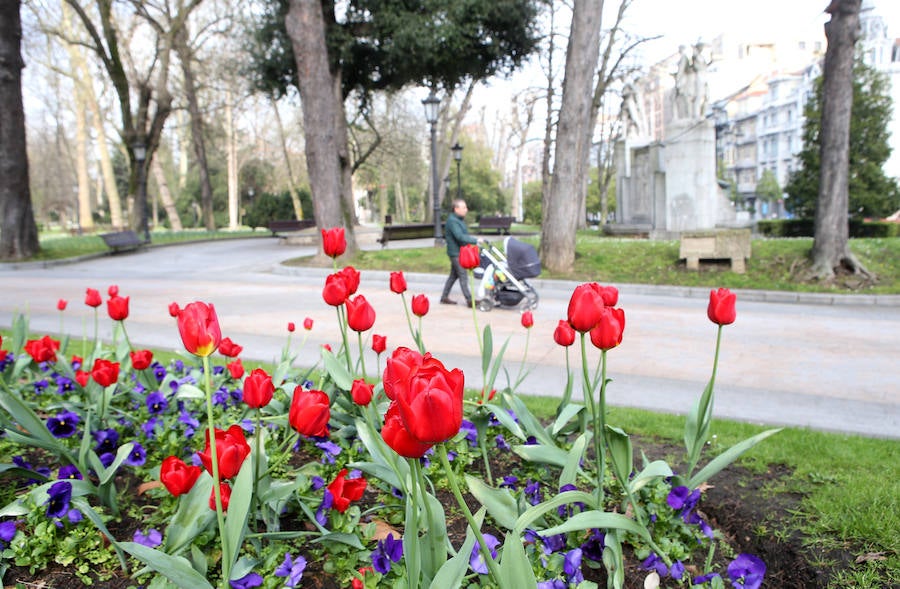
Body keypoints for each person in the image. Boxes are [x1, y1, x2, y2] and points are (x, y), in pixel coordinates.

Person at [441, 198, 479, 306]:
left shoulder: (458, 220)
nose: (466, 210)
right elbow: (460, 236)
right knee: (463, 275)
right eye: (464, 207)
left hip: (459, 252)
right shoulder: (453, 221)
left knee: (453, 276)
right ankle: (469, 300)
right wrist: (476, 241)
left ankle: (444, 297)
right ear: (456, 209)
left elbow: (463, 235)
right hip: (456, 253)